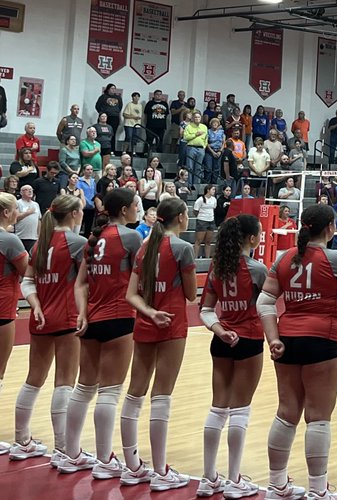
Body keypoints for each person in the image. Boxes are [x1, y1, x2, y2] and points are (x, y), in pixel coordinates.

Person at [256, 204, 337, 500]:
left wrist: (273, 338)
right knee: (318, 416)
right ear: (329, 228)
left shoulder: (285, 258)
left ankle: (276, 487)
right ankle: (317, 491)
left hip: (287, 338)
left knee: (286, 413)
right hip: (323, 340)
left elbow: (264, 303)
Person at [60, 188, 143, 477]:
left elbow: (80, 284)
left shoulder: (94, 239)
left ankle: (71, 454)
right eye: (135, 205)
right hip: (119, 318)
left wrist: (82, 312)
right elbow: (140, 282)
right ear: (124, 210)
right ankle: (105, 460)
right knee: (109, 392)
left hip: (92, 319)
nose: (138, 209)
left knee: (83, 388)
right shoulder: (132, 237)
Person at [120, 197, 196, 491]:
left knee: (135, 394)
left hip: (145, 323)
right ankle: (161, 471)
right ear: (179, 217)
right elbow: (191, 295)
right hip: (172, 325)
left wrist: (150, 312)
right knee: (161, 397)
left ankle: (132, 467)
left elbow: (131, 295)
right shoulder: (182, 248)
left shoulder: (143, 248)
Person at [13, 193, 88, 463]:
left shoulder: (40, 244)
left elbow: (27, 282)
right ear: (73, 214)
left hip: (40, 317)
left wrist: (35, 306)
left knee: (34, 379)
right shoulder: (78, 243)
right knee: (64, 382)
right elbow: (86, 284)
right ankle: (64, 450)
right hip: (67, 319)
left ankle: (21, 441)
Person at [197, 214, 267, 498]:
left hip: (222, 340)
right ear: (251, 238)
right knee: (240, 411)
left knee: (218, 408)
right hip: (249, 340)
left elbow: (205, 310)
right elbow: (270, 309)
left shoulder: (218, 268)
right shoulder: (258, 270)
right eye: (259, 233)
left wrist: (220, 330)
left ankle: (208, 477)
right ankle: (234, 480)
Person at [0, 193, 28, 453]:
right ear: (7, 213)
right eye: (16, 209)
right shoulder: (9, 240)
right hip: (2, 309)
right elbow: (28, 270)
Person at [194, 185, 218, 259]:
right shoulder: (200, 199)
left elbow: (214, 208)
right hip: (202, 221)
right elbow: (195, 210)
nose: (214, 191)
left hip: (211, 220)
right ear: (208, 190)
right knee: (199, 241)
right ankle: (195, 258)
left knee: (208, 241)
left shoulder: (214, 199)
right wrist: (201, 217)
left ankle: (207, 258)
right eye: (213, 189)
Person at [15, 184, 40, 253]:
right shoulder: (18, 203)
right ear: (21, 193)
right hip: (21, 236)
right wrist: (28, 213)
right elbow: (16, 218)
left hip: (34, 237)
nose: (29, 191)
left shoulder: (36, 204)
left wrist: (39, 235)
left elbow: (39, 220)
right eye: (26, 190)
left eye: (31, 190)